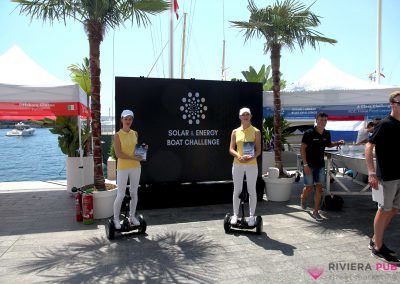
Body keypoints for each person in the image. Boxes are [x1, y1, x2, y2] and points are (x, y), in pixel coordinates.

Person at [365, 91, 400, 263]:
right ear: (392, 104)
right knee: (384, 209)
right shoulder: (385, 124)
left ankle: (374, 239)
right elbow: (368, 147)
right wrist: (371, 172)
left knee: (394, 209)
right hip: (387, 176)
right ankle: (378, 247)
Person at [300, 112, 345, 221]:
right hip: (309, 165)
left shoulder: (326, 133)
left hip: (320, 165)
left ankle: (316, 212)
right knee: (309, 188)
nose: (323, 122)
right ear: (316, 120)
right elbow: (302, 149)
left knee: (319, 189)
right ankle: (303, 198)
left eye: (325, 120)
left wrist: (337, 143)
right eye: (321, 120)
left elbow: (328, 144)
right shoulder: (309, 133)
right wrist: (305, 164)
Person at [113, 109, 145, 229]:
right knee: (120, 194)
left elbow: (137, 151)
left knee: (134, 193)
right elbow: (118, 154)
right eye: (125, 119)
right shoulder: (117, 135)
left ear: (132, 120)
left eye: (130, 119)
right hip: (122, 168)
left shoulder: (135, 133)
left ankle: (132, 217)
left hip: (136, 167)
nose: (128, 121)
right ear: (121, 120)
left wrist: (141, 155)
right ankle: (116, 219)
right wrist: (133, 157)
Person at [229, 107, 261, 226]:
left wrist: (251, 157)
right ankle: (235, 215)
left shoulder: (256, 131)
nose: (246, 116)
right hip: (237, 164)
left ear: (251, 116)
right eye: (243, 114)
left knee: (251, 190)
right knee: (237, 190)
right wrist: (238, 155)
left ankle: (252, 216)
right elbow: (231, 149)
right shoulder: (235, 131)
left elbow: (258, 150)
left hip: (251, 165)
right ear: (240, 117)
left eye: (247, 114)